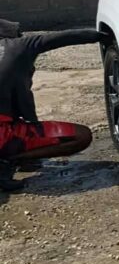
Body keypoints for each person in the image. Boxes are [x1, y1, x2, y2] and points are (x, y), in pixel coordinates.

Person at [0, 19, 107, 192]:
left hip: (6, 125)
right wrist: (102, 35)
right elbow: (64, 37)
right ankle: (9, 158)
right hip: (3, 133)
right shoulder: (21, 45)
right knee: (82, 135)